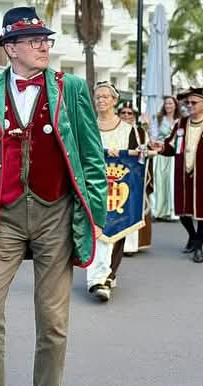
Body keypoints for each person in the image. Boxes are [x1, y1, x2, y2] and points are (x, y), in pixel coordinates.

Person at [0, 7, 107, 386]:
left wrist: (95, 214)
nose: (43, 46)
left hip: (54, 214)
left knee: (54, 321)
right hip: (1, 217)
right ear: (10, 49)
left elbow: (92, 158)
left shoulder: (70, 89)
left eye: (45, 40)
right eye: (33, 41)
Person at [152, 86, 203, 263]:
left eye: (194, 102)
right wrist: (161, 147)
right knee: (182, 212)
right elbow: (171, 147)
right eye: (187, 102)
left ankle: (198, 247)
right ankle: (193, 236)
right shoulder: (181, 124)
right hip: (183, 175)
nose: (189, 105)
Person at [85, 84, 147, 301]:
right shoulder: (87, 125)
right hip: (92, 188)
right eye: (97, 96)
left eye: (105, 96)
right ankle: (97, 279)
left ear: (114, 100)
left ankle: (108, 276)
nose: (101, 100)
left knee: (117, 230)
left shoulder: (129, 130)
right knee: (95, 231)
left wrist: (138, 152)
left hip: (120, 189)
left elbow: (138, 158)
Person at [117, 100, 153, 256]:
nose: (126, 116)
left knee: (133, 209)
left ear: (135, 116)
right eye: (123, 112)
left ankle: (131, 245)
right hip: (115, 176)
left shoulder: (141, 132)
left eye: (129, 113)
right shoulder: (111, 130)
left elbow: (147, 155)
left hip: (134, 178)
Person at [151, 96, 180, 221]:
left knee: (172, 182)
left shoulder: (181, 120)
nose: (168, 106)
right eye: (166, 103)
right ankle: (159, 211)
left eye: (171, 103)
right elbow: (153, 135)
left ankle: (173, 210)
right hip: (161, 153)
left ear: (175, 105)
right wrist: (157, 144)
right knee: (159, 182)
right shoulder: (158, 119)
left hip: (174, 154)